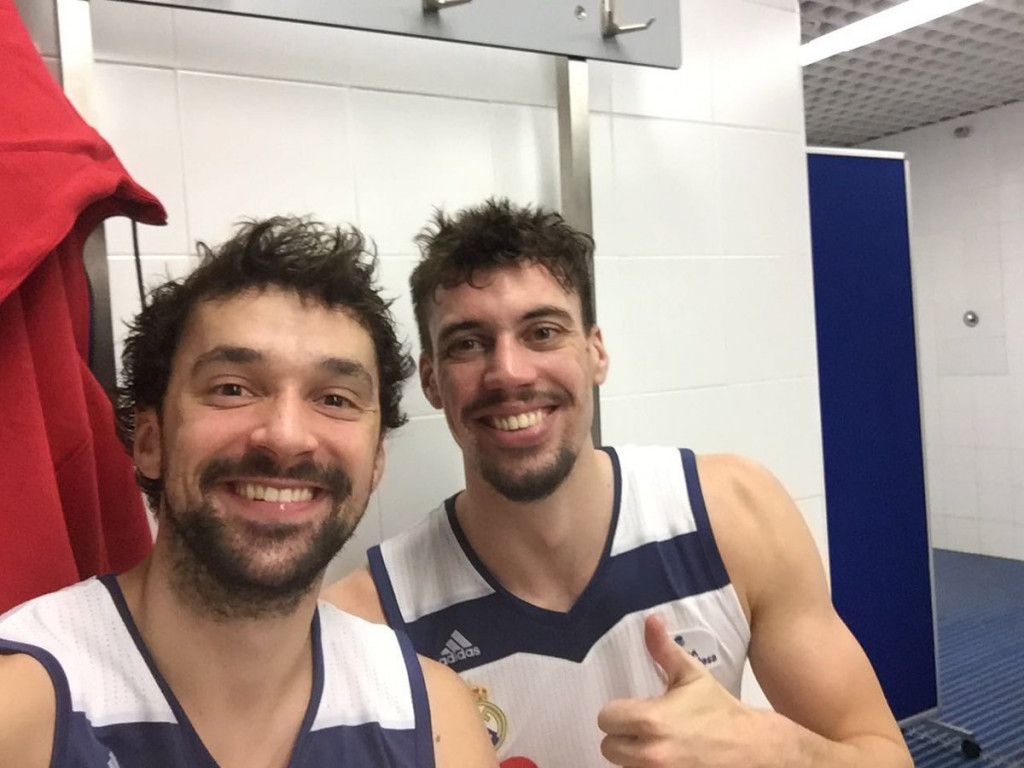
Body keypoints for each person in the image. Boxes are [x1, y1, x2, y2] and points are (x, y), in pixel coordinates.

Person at [325, 199, 914, 768]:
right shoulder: (372, 620)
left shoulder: (732, 512)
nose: (509, 371)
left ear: (596, 352)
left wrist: (776, 754)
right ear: (431, 380)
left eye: (543, 332)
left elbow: (884, 755)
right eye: (468, 344)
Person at [0, 218, 497, 768]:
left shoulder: (429, 716)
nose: (285, 436)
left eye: (334, 399)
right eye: (232, 388)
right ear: (149, 441)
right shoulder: (25, 703)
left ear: (376, 462)